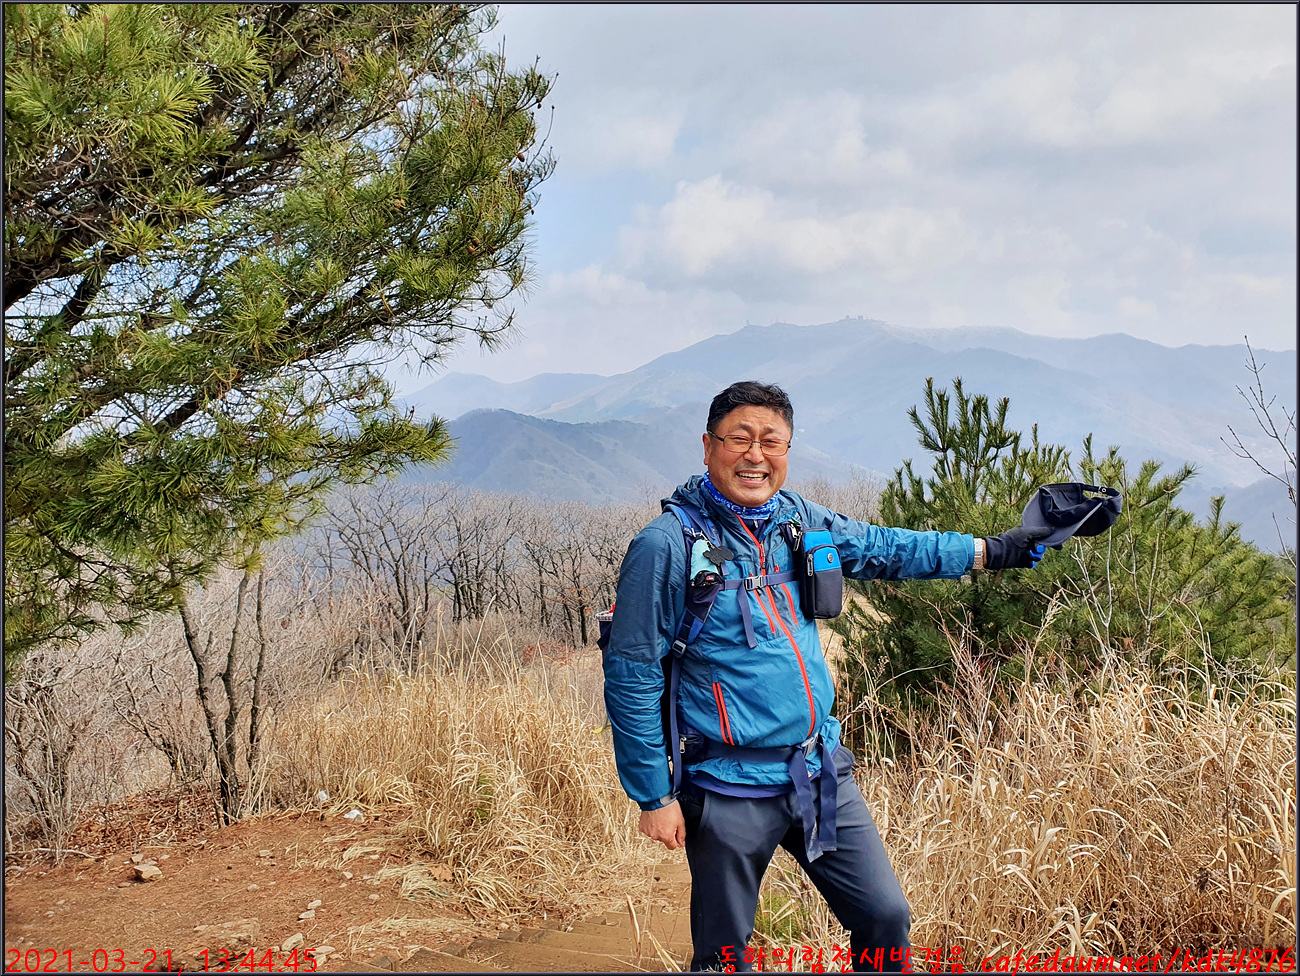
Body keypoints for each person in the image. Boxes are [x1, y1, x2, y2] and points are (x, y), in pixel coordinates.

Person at [601, 380, 1050, 973]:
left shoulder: (797, 522)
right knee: (724, 957)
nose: (755, 455)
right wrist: (654, 795)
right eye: (739, 439)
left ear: (787, 449)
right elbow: (632, 673)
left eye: (771, 441)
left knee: (885, 919)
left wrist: (991, 551)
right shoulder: (668, 545)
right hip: (726, 784)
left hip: (817, 771)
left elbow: (886, 548)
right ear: (708, 447)